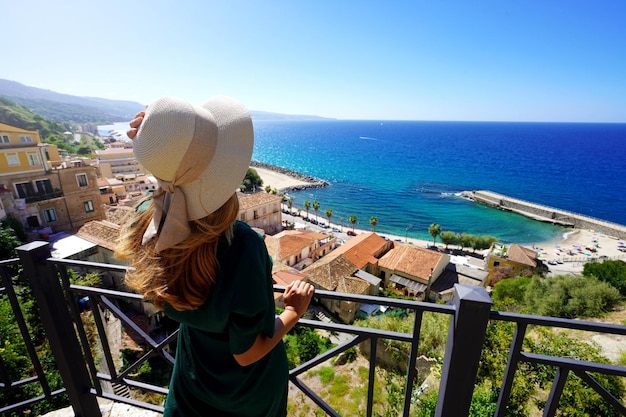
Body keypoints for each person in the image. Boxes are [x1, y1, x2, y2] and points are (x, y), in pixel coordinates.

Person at [115, 95, 315, 417]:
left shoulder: (148, 223)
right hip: (246, 394)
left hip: (194, 381)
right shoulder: (242, 247)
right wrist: (294, 310)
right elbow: (248, 353)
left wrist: (158, 144)